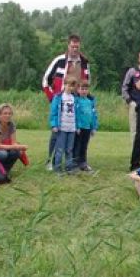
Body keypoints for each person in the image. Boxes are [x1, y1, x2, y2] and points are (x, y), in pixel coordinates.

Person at [42, 34, 90, 167]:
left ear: (80, 46)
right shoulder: (59, 60)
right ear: (68, 46)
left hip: (76, 101)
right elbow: (46, 79)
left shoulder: (84, 62)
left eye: (77, 47)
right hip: (61, 100)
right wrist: (53, 97)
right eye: (72, 46)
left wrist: (85, 97)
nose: (75, 49)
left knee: (75, 132)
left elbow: (87, 81)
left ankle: (74, 161)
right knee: (56, 132)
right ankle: (51, 160)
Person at [50, 75, 80, 174]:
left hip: (72, 128)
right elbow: (53, 113)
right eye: (69, 85)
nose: (71, 88)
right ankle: (57, 168)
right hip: (61, 128)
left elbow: (77, 114)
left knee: (69, 149)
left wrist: (77, 127)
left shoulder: (75, 98)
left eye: (73, 86)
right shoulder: (58, 97)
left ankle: (69, 168)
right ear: (65, 84)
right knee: (60, 149)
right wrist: (54, 125)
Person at [122, 51, 140, 140]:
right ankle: (135, 148)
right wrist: (129, 101)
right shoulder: (132, 71)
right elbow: (124, 87)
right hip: (135, 104)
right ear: (138, 60)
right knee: (134, 130)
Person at [74, 80, 97, 173]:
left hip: (88, 127)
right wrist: (77, 126)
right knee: (77, 146)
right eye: (82, 89)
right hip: (79, 128)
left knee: (84, 146)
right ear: (78, 90)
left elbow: (93, 115)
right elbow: (76, 115)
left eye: (86, 89)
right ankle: (75, 163)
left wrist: (93, 127)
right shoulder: (76, 101)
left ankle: (83, 163)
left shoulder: (90, 101)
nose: (84, 91)